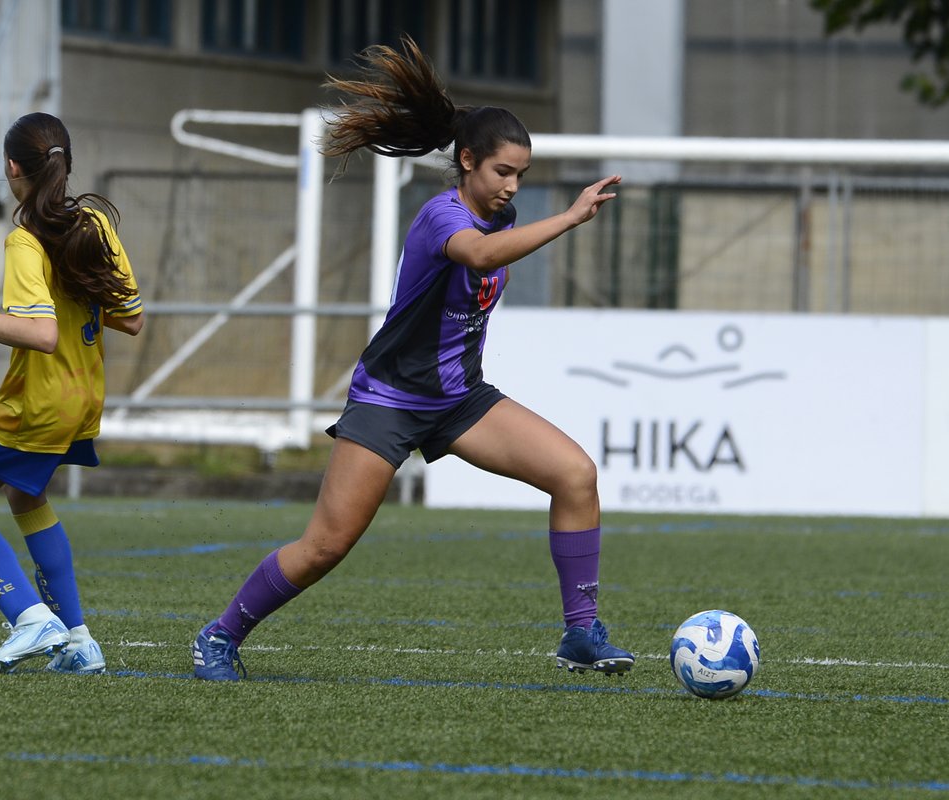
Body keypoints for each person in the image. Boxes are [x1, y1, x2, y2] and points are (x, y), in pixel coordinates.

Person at [192, 37, 632, 681]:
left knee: (576, 475)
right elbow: (478, 257)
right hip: (390, 401)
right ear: (467, 161)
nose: (512, 186)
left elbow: (488, 266)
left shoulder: (502, 217)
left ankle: (581, 632)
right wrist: (567, 219)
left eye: (520, 175)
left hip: (459, 400)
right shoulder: (440, 216)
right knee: (325, 547)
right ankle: (219, 636)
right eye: (502, 172)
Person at [0, 111, 144, 674]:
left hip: (37, 403)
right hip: (83, 398)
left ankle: (29, 617)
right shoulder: (94, 222)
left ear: (13, 168)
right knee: (24, 495)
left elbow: (41, 334)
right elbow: (132, 318)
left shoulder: (24, 239)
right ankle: (79, 640)